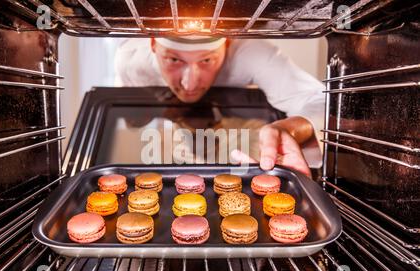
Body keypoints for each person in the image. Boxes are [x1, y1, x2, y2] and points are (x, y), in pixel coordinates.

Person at [114, 36, 325, 178]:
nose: (190, 84)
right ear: (153, 45)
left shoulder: (252, 54)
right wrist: (162, 110)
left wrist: (288, 130)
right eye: (173, 59)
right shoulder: (133, 62)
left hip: (238, 133)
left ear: (227, 44)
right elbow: (132, 120)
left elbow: (316, 100)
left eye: (206, 60)